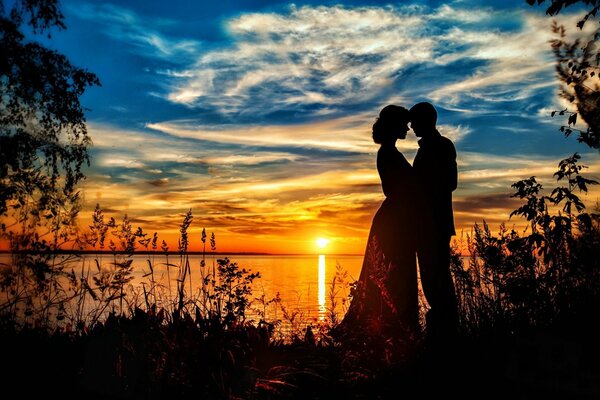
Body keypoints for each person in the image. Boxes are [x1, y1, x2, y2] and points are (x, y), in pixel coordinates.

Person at [336, 105, 419, 339]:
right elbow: (403, 188)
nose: (407, 128)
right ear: (394, 126)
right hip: (393, 221)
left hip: (395, 218)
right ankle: (386, 330)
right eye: (403, 124)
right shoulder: (389, 153)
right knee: (388, 273)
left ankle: (391, 328)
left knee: (392, 273)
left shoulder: (390, 152)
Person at [410, 102, 458, 341]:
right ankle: (442, 331)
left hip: (435, 225)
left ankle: (447, 332)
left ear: (427, 121)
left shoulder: (441, 146)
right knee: (432, 278)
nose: (410, 126)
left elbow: (450, 182)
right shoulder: (428, 147)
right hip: (426, 225)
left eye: (414, 121)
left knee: (437, 277)